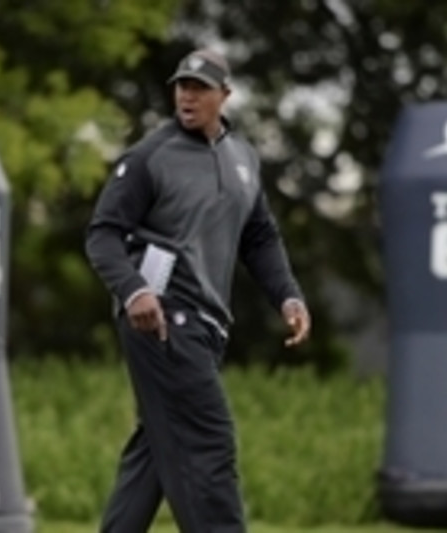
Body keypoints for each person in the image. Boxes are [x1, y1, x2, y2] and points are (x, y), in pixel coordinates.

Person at [84, 48, 312, 533]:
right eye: (181, 86)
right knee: (209, 441)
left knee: (156, 451)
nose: (187, 95)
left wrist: (288, 296)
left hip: (207, 327)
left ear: (225, 96)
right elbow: (102, 233)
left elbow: (260, 237)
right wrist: (134, 291)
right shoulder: (150, 156)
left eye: (200, 88)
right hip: (162, 318)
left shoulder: (243, 158)